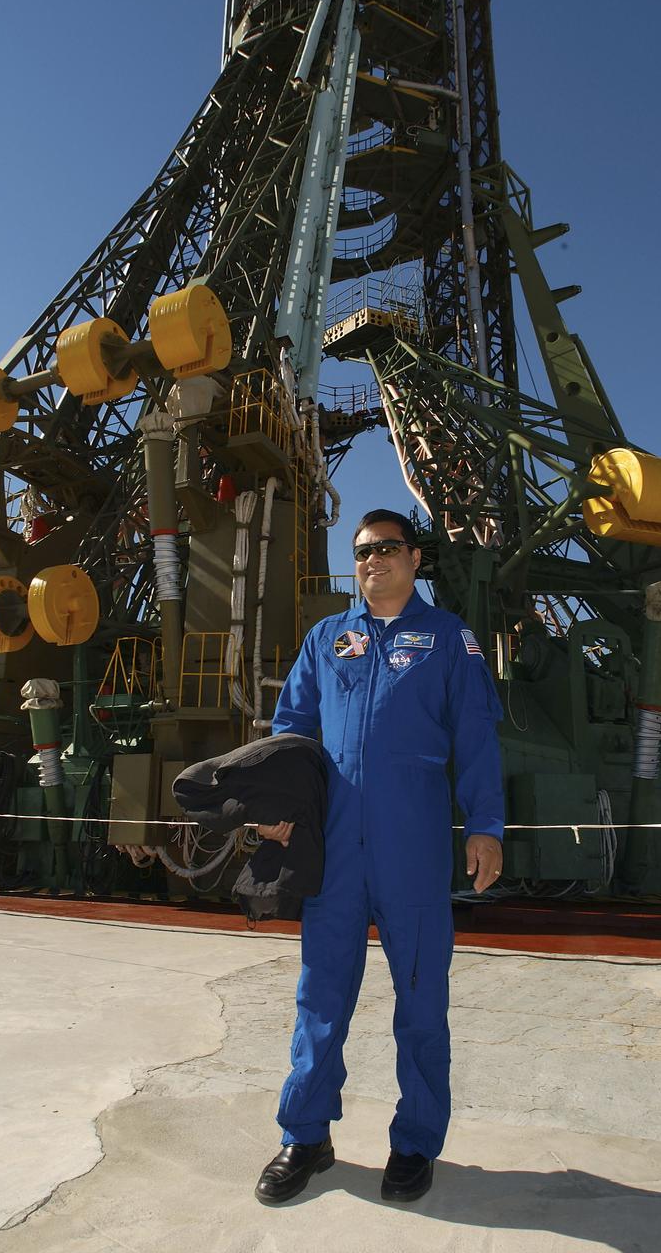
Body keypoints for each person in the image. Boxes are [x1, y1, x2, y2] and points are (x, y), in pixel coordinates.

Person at [254, 509, 504, 1205]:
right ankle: (306, 1136)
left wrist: (484, 825)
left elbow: (476, 736)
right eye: (362, 551)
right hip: (334, 851)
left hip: (413, 849)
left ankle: (415, 1143)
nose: (372, 560)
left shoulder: (448, 638)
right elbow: (291, 730)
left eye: (387, 548)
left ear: (414, 558)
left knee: (421, 1002)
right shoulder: (326, 639)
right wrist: (280, 806)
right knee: (320, 999)